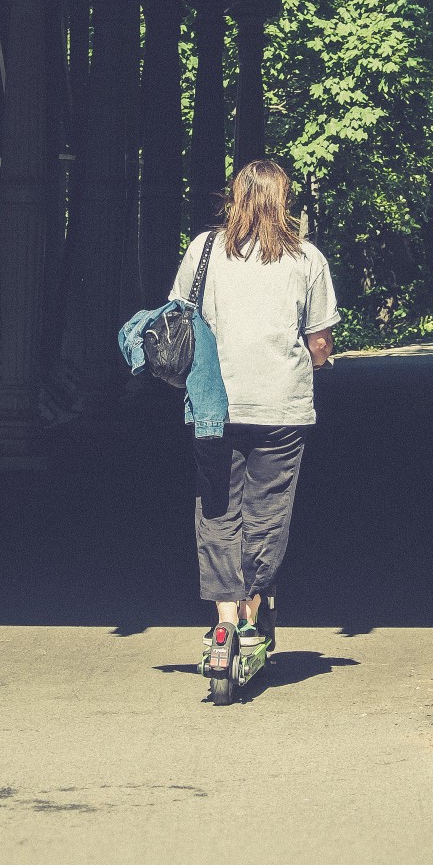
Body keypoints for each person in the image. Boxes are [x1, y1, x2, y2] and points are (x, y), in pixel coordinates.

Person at [168, 159, 339, 667]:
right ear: (282, 202)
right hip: (280, 407)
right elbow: (320, 342)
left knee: (217, 510)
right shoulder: (308, 260)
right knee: (267, 513)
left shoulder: (202, 251)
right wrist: (309, 358)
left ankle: (222, 624)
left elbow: (180, 315)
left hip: (213, 405)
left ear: (234, 198)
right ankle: (250, 617)